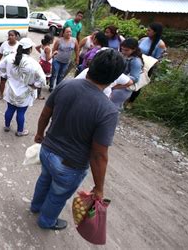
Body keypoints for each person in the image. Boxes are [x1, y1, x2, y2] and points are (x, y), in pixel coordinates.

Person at [31, 49, 125, 230]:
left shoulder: (66, 85)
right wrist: (99, 188)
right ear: (113, 79)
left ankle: (35, 207)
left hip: (47, 150)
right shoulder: (108, 110)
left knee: (44, 179)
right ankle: (46, 221)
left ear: (90, 65)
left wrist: (39, 134)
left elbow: (45, 115)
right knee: (57, 195)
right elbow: (98, 155)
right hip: (69, 165)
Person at [0, 38, 46, 137]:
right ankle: (20, 131)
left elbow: (0, 67)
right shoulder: (33, 63)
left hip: (11, 90)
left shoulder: (10, 57)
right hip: (25, 92)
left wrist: (6, 76)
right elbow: (42, 80)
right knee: (21, 112)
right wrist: (35, 85)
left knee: (10, 109)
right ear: (30, 49)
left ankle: (7, 126)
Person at [128, 22, 167, 105]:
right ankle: (124, 97)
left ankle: (130, 102)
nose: (147, 31)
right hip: (135, 63)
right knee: (129, 80)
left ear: (155, 32)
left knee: (138, 84)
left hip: (146, 67)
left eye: (149, 30)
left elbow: (157, 59)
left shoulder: (160, 44)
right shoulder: (143, 39)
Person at [110, 38, 144, 109]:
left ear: (134, 49)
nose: (123, 52)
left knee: (113, 107)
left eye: (126, 50)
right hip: (117, 85)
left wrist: (115, 86)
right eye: (122, 49)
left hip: (123, 88)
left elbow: (134, 78)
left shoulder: (136, 61)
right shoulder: (125, 56)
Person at [49, 27, 79, 91]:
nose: (69, 33)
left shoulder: (74, 40)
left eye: (70, 31)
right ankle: (51, 86)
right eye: (67, 32)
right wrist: (52, 57)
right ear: (63, 33)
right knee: (54, 74)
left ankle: (57, 87)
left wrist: (77, 58)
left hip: (66, 61)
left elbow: (77, 50)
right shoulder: (59, 40)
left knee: (61, 75)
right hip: (57, 60)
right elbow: (54, 49)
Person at [0, 30, 20, 100]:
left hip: (14, 68)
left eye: (12, 35)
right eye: (9, 35)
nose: (10, 37)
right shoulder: (4, 44)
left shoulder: (19, 45)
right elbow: (0, 53)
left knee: (13, 82)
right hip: (5, 67)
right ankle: (1, 94)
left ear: (16, 36)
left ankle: (12, 96)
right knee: (2, 81)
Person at [35, 34, 53, 100]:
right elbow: (48, 58)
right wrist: (54, 54)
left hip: (41, 62)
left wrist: (41, 53)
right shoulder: (47, 48)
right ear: (50, 40)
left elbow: (36, 47)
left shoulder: (43, 45)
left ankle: (37, 92)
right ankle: (38, 95)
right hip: (46, 64)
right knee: (42, 79)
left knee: (40, 77)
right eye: (52, 39)